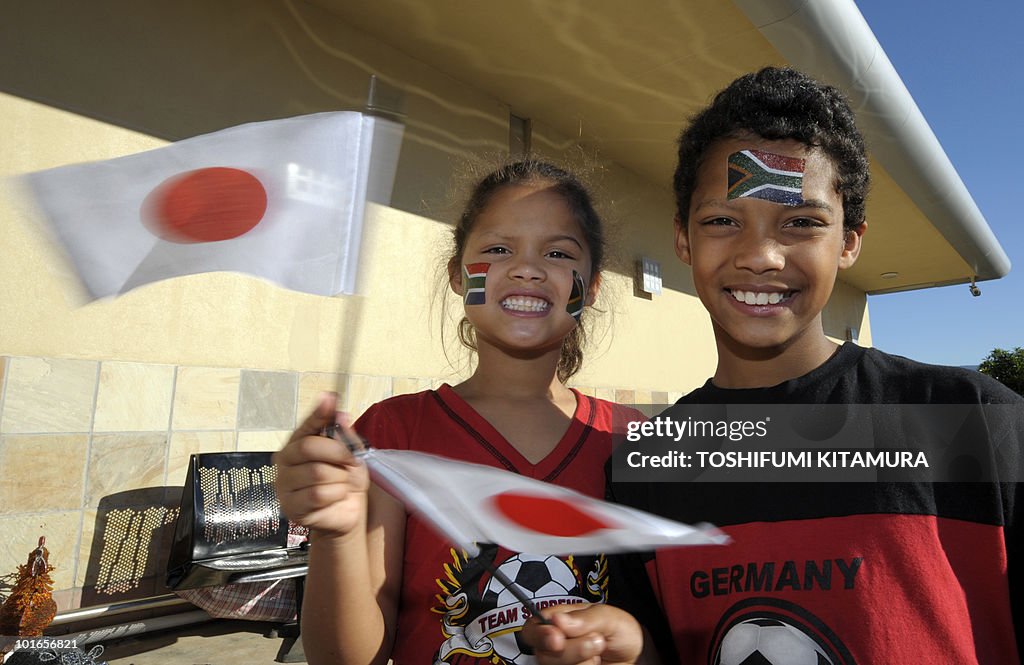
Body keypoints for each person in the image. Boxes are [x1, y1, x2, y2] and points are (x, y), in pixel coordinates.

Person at [524, 66, 1023, 664]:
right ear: (682, 238)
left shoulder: (973, 422)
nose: (761, 256)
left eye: (802, 223)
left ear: (849, 241)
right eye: (723, 221)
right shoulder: (650, 463)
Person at [274, 159, 642, 665]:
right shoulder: (393, 432)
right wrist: (335, 536)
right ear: (456, 274)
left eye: (557, 253)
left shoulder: (637, 439)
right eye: (497, 249)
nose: (527, 268)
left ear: (593, 286)